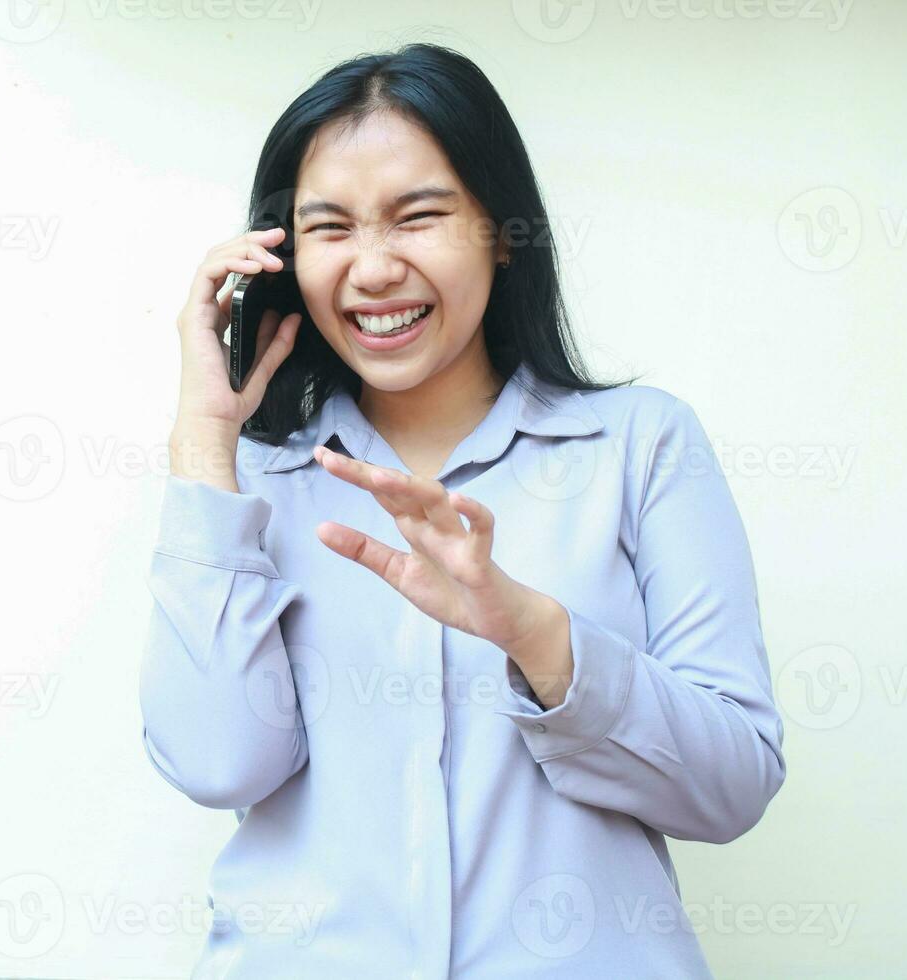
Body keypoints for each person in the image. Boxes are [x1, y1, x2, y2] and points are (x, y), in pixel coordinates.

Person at [140, 42, 786, 979]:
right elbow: (216, 765)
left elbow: (732, 787)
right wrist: (205, 436)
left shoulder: (641, 446)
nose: (371, 270)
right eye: (329, 228)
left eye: (419, 217)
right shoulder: (247, 482)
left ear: (502, 229)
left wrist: (536, 635)